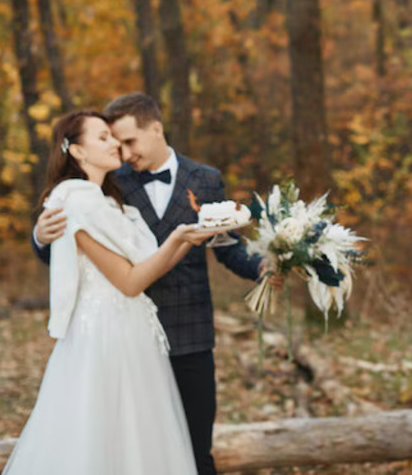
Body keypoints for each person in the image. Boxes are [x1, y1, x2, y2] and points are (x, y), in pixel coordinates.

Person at [32, 92, 269, 475]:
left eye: (128, 141)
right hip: (125, 340)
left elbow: (226, 246)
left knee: (193, 452)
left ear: (155, 129)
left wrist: (260, 268)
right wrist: (40, 237)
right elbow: (66, 246)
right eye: (112, 141)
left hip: (190, 334)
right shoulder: (111, 184)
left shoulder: (205, 180)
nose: (123, 152)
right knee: (128, 451)